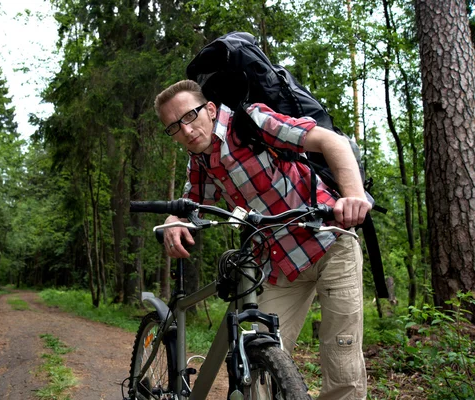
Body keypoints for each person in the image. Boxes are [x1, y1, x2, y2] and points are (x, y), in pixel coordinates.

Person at [154, 79, 370, 400]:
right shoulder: (200, 160)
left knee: (342, 365)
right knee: (254, 360)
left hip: (329, 243)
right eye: (173, 127)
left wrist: (352, 197)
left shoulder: (251, 122)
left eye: (189, 116)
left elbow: (330, 142)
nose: (185, 131)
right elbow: (192, 204)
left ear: (210, 110)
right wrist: (174, 221)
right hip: (279, 266)